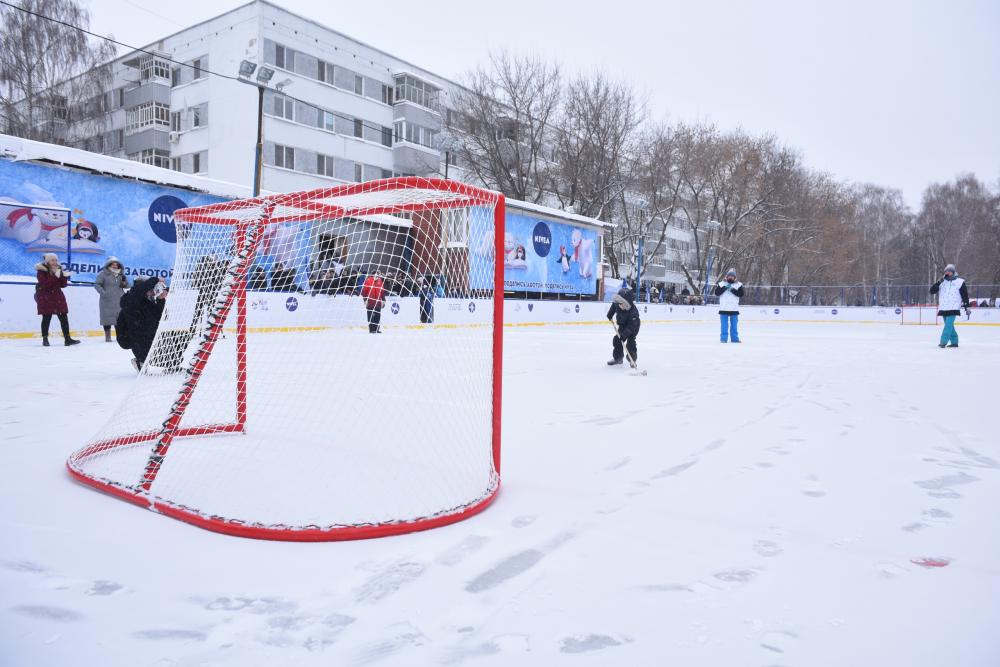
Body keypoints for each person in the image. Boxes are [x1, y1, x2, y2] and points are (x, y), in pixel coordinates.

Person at [121, 276, 168, 371]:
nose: (153, 291)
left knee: (181, 337)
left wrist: (160, 299)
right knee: (154, 356)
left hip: (153, 340)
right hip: (140, 343)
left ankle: (173, 364)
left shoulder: (149, 302)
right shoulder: (129, 299)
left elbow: (161, 317)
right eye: (151, 288)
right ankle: (141, 361)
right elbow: (138, 292)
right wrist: (156, 279)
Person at [35, 253, 80, 346]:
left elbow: (63, 285)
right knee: (46, 318)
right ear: (47, 261)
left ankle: (67, 339)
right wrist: (56, 275)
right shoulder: (41, 271)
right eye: (52, 260)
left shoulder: (58, 269)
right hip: (46, 298)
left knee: (64, 318)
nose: (55, 262)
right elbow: (45, 284)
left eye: (56, 260)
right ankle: (45, 339)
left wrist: (64, 276)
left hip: (57, 297)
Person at [930, 263, 970, 348]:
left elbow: (964, 295)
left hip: (954, 307)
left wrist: (967, 307)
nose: (947, 272)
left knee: (948, 325)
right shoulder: (942, 282)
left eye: (949, 271)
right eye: (946, 271)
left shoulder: (960, 282)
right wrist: (938, 282)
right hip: (944, 307)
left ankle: (943, 342)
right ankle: (954, 342)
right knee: (949, 326)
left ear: (953, 272)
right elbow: (932, 291)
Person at [93, 257, 129, 342]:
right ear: (108, 265)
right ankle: (108, 337)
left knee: (119, 319)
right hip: (107, 300)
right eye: (113, 264)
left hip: (119, 300)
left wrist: (124, 282)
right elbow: (97, 285)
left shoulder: (121, 275)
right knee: (107, 319)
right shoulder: (103, 274)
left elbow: (127, 286)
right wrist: (104, 293)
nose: (115, 266)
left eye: (116, 264)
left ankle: (119, 337)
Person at [606, 287, 640, 366]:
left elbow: (631, 327)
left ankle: (632, 360)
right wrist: (610, 314)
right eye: (619, 303)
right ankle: (618, 358)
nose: (619, 305)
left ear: (626, 303)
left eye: (621, 304)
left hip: (633, 327)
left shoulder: (633, 312)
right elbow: (614, 306)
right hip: (622, 324)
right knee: (617, 340)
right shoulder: (618, 303)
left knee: (630, 343)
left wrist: (624, 335)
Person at [714, 268, 745, 343]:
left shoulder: (739, 285)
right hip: (723, 309)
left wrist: (732, 289)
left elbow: (741, 294)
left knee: (734, 326)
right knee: (724, 326)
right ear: (726, 277)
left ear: (735, 277)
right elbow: (717, 293)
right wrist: (725, 288)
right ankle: (723, 339)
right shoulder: (721, 284)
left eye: (732, 276)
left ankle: (734, 339)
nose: (730, 277)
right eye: (729, 276)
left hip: (734, 309)